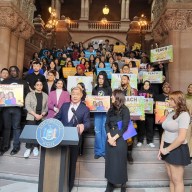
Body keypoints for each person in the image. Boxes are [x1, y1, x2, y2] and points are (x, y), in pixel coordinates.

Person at [55, 87, 90, 192]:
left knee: (71, 163)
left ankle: (69, 186)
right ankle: (59, 182)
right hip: (62, 138)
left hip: (75, 139)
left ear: (81, 95)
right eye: (73, 93)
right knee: (60, 160)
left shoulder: (85, 109)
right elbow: (58, 117)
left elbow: (88, 123)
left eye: (77, 94)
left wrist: (82, 126)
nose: (74, 96)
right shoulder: (65, 106)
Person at [158, 91, 191, 192]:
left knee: (177, 180)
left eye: (171, 99)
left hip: (177, 148)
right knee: (171, 179)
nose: (168, 101)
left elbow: (181, 138)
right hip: (167, 147)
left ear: (178, 101)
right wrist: (161, 148)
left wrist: (167, 150)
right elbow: (165, 132)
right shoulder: (171, 113)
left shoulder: (184, 115)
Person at [0, 66, 30, 156]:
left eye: (15, 70)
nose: (13, 72)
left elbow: (27, 95)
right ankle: (5, 147)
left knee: (16, 127)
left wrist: (22, 102)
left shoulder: (23, 82)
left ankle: (16, 147)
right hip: (6, 109)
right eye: (11, 70)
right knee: (6, 128)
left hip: (17, 109)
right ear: (9, 72)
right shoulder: (4, 82)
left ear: (18, 71)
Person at [105, 89, 130, 192]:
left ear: (118, 97)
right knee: (110, 161)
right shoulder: (110, 109)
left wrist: (114, 138)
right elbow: (106, 124)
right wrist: (109, 137)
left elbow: (124, 127)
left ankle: (123, 184)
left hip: (120, 137)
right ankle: (110, 184)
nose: (111, 97)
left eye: (112, 96)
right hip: (110, 136)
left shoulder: (125, 110)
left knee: (121, 161)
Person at [24, 79, 48, 158]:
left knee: (39, 133)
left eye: (41, 85)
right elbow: (27, 105)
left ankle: (35, 147)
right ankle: (28, 148)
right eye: (37, 85)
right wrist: (35, 115)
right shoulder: (30, 94)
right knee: (30, 132)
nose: (39, 86)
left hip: (42, 116)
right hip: (32, 116)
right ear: (34, 86)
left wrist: (42, 114)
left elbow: (47, 107)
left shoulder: (45, 95)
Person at [92, 71, 112, 159]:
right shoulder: (95, 89)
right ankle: (98, 152)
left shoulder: (108, 89)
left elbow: (111, 102)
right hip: (97, 113)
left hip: (106, 113)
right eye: (99, 78)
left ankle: (104, 152)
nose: (100, 80)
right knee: (97, 131)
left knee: (104, 131)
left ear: (105, 79)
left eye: (102, 78)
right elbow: (92, 102)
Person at [137, 80, 155, 148]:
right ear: (143, 85)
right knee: (141, 127)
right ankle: (140, 141)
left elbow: (156, 102)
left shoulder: (153, 93)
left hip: (150, 113)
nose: (146, 85)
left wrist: (154, 103)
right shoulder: (139, 92)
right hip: (141, 113)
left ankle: (150, 141)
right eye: (145, 84)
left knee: (150, 127)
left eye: (148, 84)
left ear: (150, 86)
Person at [185, 83, 192, 158]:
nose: (190, 88)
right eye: (189, 87)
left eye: (191, 87)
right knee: (187, 135)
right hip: (187, 118)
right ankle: (188, 153)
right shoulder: (184, 97)